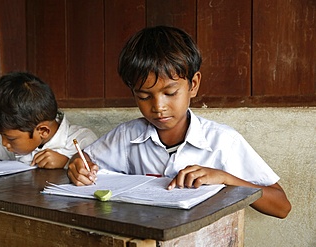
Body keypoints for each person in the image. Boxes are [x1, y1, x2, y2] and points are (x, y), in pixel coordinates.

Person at [67, 26, 291, 218]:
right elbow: (87, 158)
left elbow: (281, 206)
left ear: (193, 85)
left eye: (170, 93)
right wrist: (80, 165)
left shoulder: (223, 141)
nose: (158, 106)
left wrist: (224, 178)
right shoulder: (128, 135)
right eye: (144, 96)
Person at [0, 72, 97, 169]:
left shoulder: (81, 140)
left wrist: (67, 163)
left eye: (10, 139)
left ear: (43, 131)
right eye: (1, 135)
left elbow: (95, 173)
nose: (4, 144)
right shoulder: (11, 137)